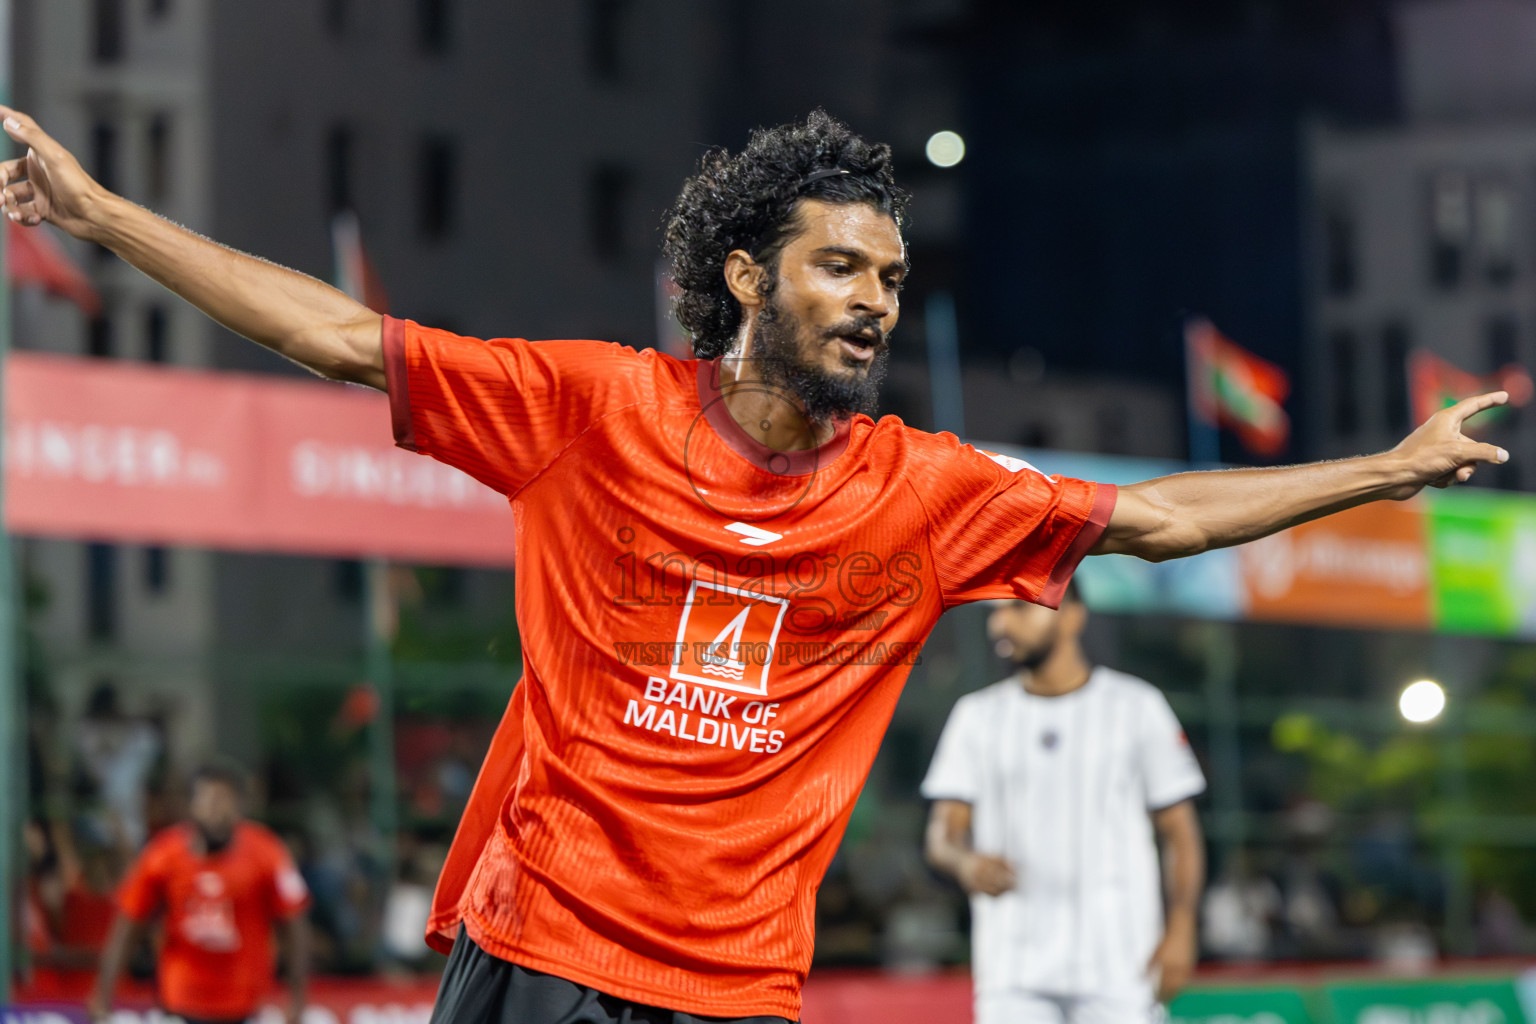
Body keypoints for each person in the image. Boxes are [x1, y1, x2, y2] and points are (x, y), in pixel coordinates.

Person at [0, 102, 1507, 1024]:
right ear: (745, 277)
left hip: (734, 991)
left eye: (894, 278)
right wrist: (100, 210)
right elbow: (330, 335)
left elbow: (1158, 521)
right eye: (841, 266)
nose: (874, 300)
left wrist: (1390, 467)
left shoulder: (922, 490)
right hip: (545, 951)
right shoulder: (590, 409)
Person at [922, 582, 1206, 1023]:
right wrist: (964, 863)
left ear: (1073, 616)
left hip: (1120, 966)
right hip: (1011, 973)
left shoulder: (1137, 706)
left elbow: (1180, 833)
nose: (1001, 623)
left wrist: (1183, 927)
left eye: (1019, 608)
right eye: (994, 612)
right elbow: (942, 834)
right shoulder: (975, 717)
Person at [88, 762, 310, 1024]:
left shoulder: (267, 853)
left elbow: (293, 924)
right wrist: (103, 994)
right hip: (181, 1001)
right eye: (209, 801)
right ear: (192, 806)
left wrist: (297, 997)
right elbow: (129, 923)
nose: (216, 811)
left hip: (246, 1004)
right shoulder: (162, 855)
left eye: (224, 801)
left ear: (240, 807)